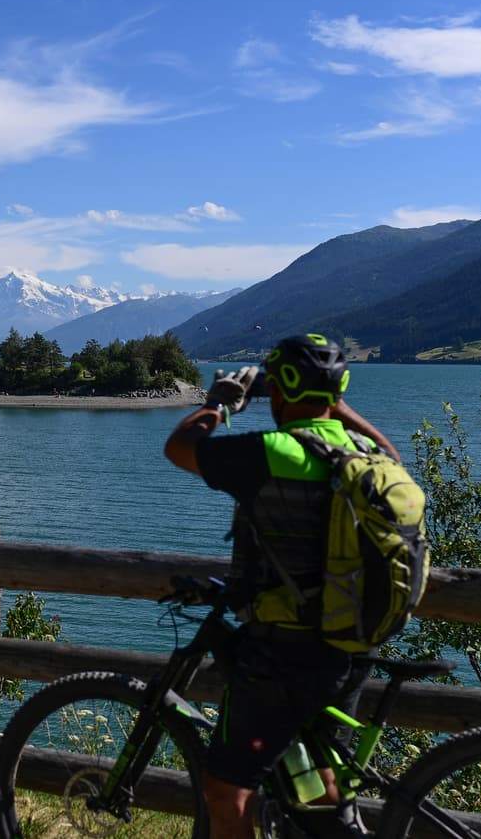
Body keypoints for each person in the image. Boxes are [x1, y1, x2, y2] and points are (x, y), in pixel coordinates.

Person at [164, 333, 396, 839]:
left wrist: (219, 403)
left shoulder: (274, 451)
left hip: (286, 656)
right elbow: (389, 449)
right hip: (352, 643)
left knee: (227, 792)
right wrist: (332, 400)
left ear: (283, 389)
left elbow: (180, 447)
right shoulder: (364, 454)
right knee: (317, 785)